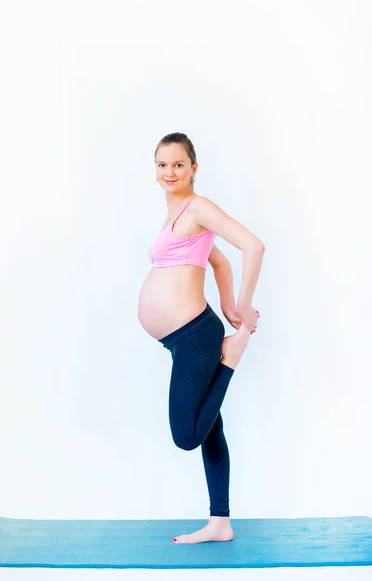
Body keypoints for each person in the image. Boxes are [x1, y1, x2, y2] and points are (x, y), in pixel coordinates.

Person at [137, 132, 264, 544]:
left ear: (194, 168)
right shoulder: (179, 215)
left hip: (195, 336)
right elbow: (220, 260)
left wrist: (242, 309)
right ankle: (220, 522)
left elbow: (252, 246)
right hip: (183, 338)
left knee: (186, 436)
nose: (169, 172)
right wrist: (226, 302)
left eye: (178, 164)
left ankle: (232, 357)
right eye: (162, 164)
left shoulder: (199, 207)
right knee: (210, 428)